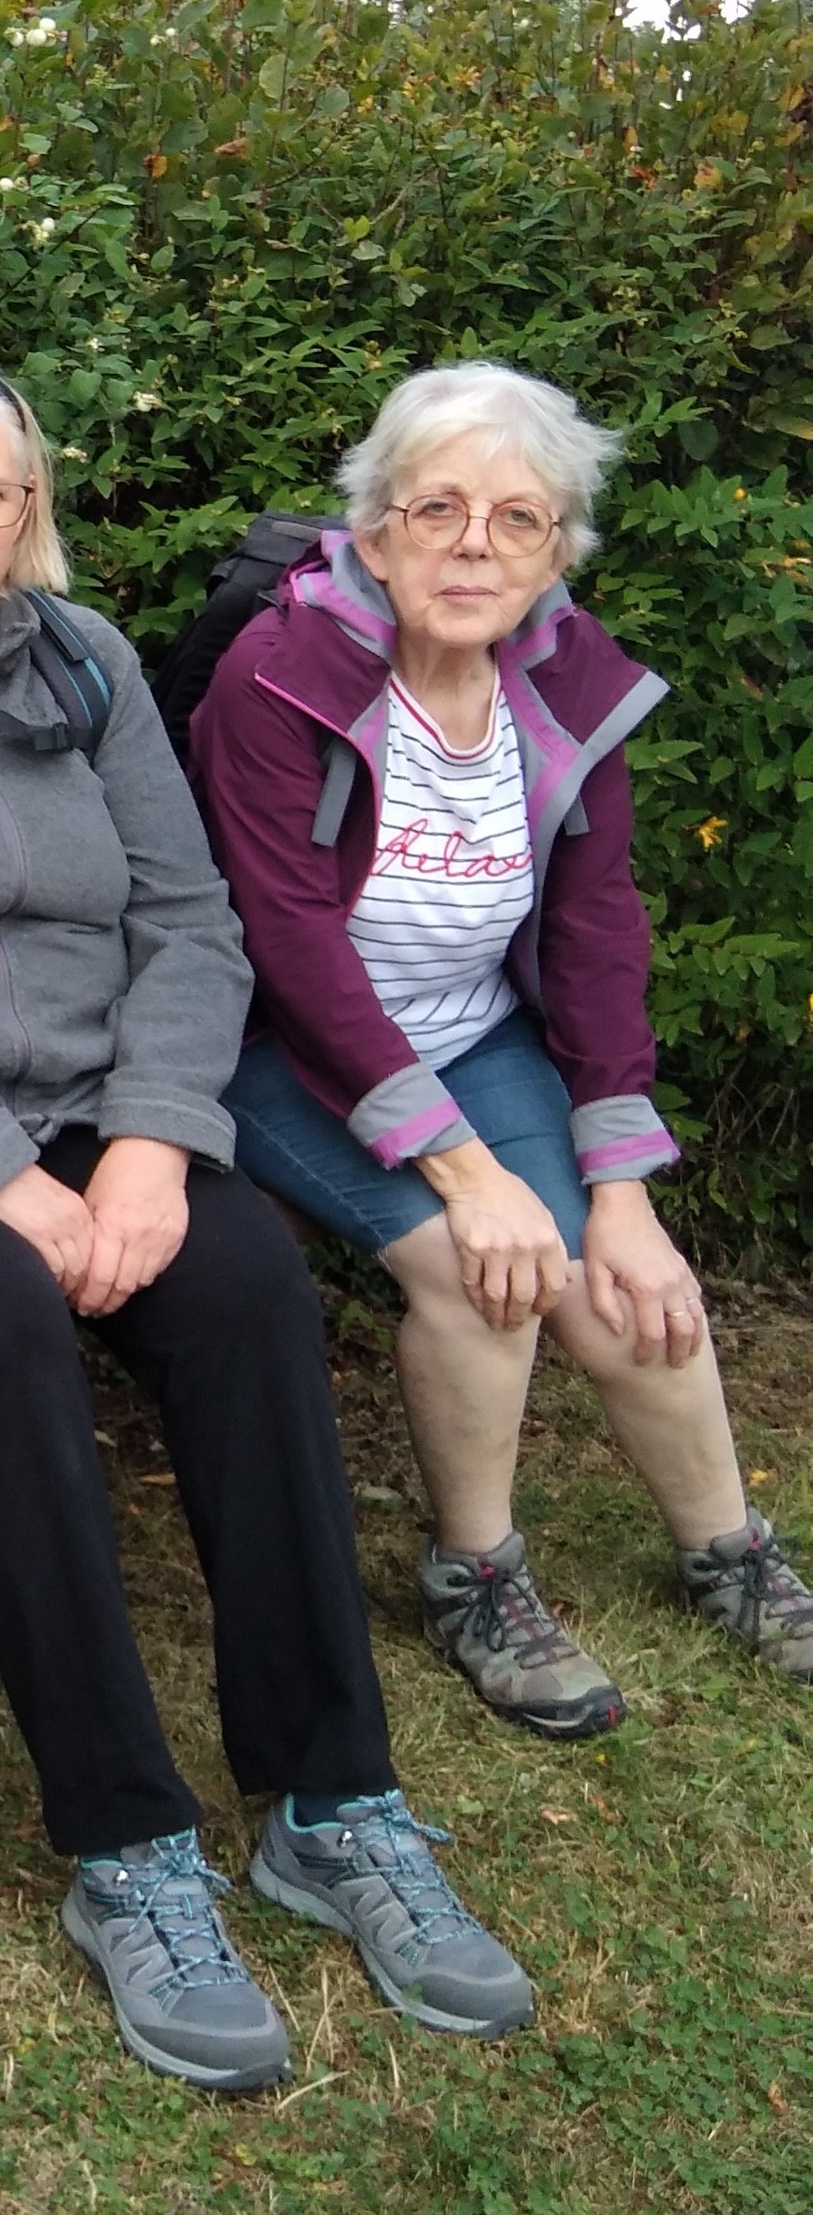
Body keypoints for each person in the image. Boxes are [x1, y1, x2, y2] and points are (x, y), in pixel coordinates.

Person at [0, 357, 535, 2094]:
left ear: (27, 512)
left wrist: (151, 1141)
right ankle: (129, 1846)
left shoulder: (91, 663)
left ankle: (328, 1799)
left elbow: (189, 913)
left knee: (243, 1288)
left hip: (90, 1100)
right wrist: (0, 1176)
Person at [192, 358, 813, 1737]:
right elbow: (293, 950)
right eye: (439, 510)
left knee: (620, 1276)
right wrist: (468, 1175)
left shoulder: (568, 681)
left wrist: (625, 1190)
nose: (475, 545)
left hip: (475, 1033)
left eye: (517, 519)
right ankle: (475, 1574)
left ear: (559, 550)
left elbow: (597, 931)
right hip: (278, 1047)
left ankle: (733, 1554)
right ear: (374, 524)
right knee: (486, 1275)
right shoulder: (277, 677)